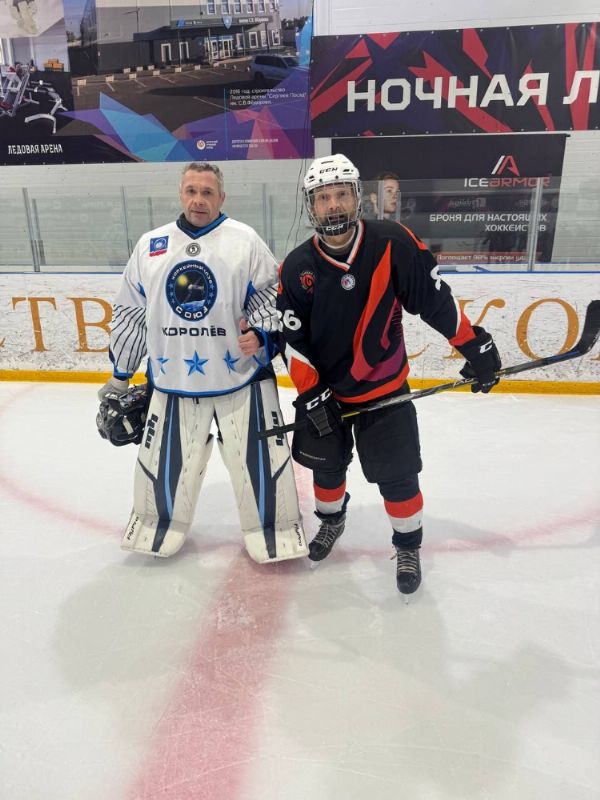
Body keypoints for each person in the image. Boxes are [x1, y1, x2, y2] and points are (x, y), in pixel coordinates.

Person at [275, 154, 501, 594]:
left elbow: (435, 301)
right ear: (311, 205)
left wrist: (473, 345)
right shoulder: (297, 266)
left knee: (399, 477)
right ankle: (332, 521)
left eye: (341, 194)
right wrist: (312, 393)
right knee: (326, 474)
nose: (333, 205)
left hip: (385, 390)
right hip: (326, 396)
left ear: (358, 197)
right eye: (323, 197)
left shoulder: (393, 242)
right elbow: (292, 340)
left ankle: (407, 545)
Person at [97, 161, 307, 564]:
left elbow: (271, 299)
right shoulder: (151, 246)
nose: (198, 200)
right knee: (164, 468)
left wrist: (262, 335)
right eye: (191, 191)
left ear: (221, 197)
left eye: (207, 192)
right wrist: (120, 376)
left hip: (241, 378)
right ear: (181, 194)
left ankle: (273, 526)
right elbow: (130, 313)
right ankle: (157, 521)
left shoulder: (244, 241)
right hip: (173, 380)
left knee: (260, 463)